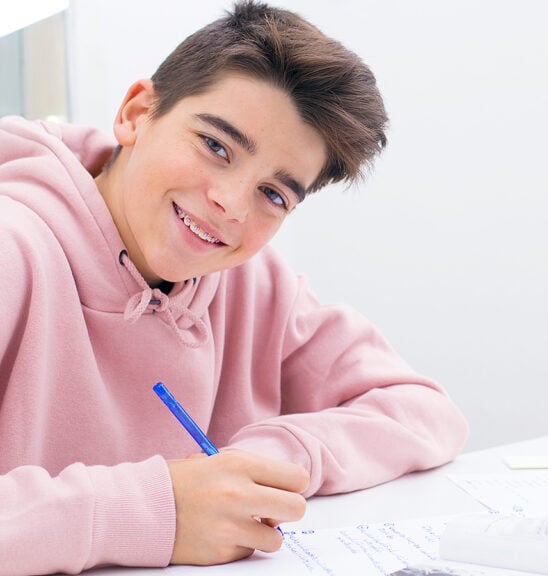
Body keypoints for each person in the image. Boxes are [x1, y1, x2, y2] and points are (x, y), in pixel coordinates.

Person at [0, 2, 468, 574]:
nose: (230, 204)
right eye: (216, 146)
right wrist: (157, 511)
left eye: (274, 194)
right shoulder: (13, 249)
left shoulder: (248, 280)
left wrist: (266, 461)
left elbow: (424, 412)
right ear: (137, 112)